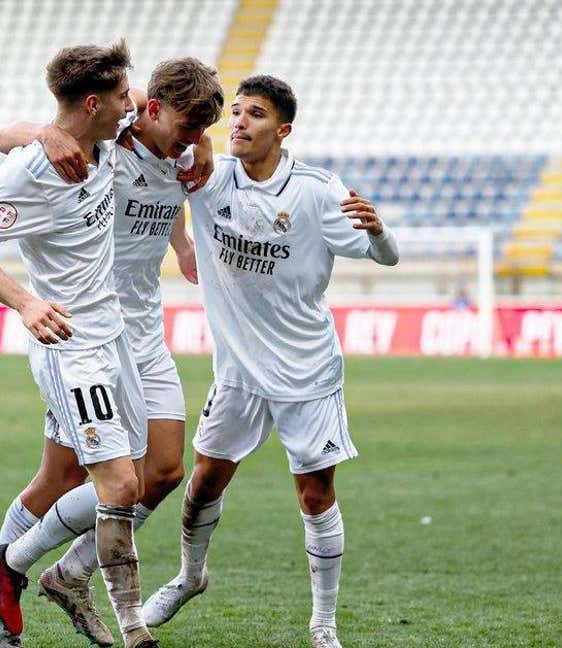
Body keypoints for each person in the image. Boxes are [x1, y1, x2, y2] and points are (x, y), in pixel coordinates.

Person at [141, 75, 399, 648]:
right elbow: (154, 137)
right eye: (234, 112)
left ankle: (323, 621)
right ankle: (189, 577)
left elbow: (388, 256)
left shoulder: (316, 190)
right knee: (204, 480)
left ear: (282, 130)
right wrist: (183, 244)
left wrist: (380, 233)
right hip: (237, 375)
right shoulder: (210, 176)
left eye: (254, 115)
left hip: (307, 374)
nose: (238, 123)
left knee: (314, 494)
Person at [0, 57, 224, 646]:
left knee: (161, 472)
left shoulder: (185, 152)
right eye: (186, 130)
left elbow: (169, 189)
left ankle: (69, 573)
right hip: (80, 330)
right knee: (62, 476)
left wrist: (184, 241)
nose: (192, 145)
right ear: (151, 111)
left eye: (200, 133)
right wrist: (46, 132)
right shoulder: (107, 139)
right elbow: (5, 138)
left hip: (140, 329)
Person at [0, 40, 161, 648]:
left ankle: (5, 571)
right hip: (70, 346)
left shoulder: (104, 132)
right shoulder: (35, 170)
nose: (134, 105)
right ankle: (28, 577)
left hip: (113, 336)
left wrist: (40, 128)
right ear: (94, 103)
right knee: (120, 487)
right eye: (123, 97)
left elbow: (149, 101)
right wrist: (26, 302)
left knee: (94, 475)